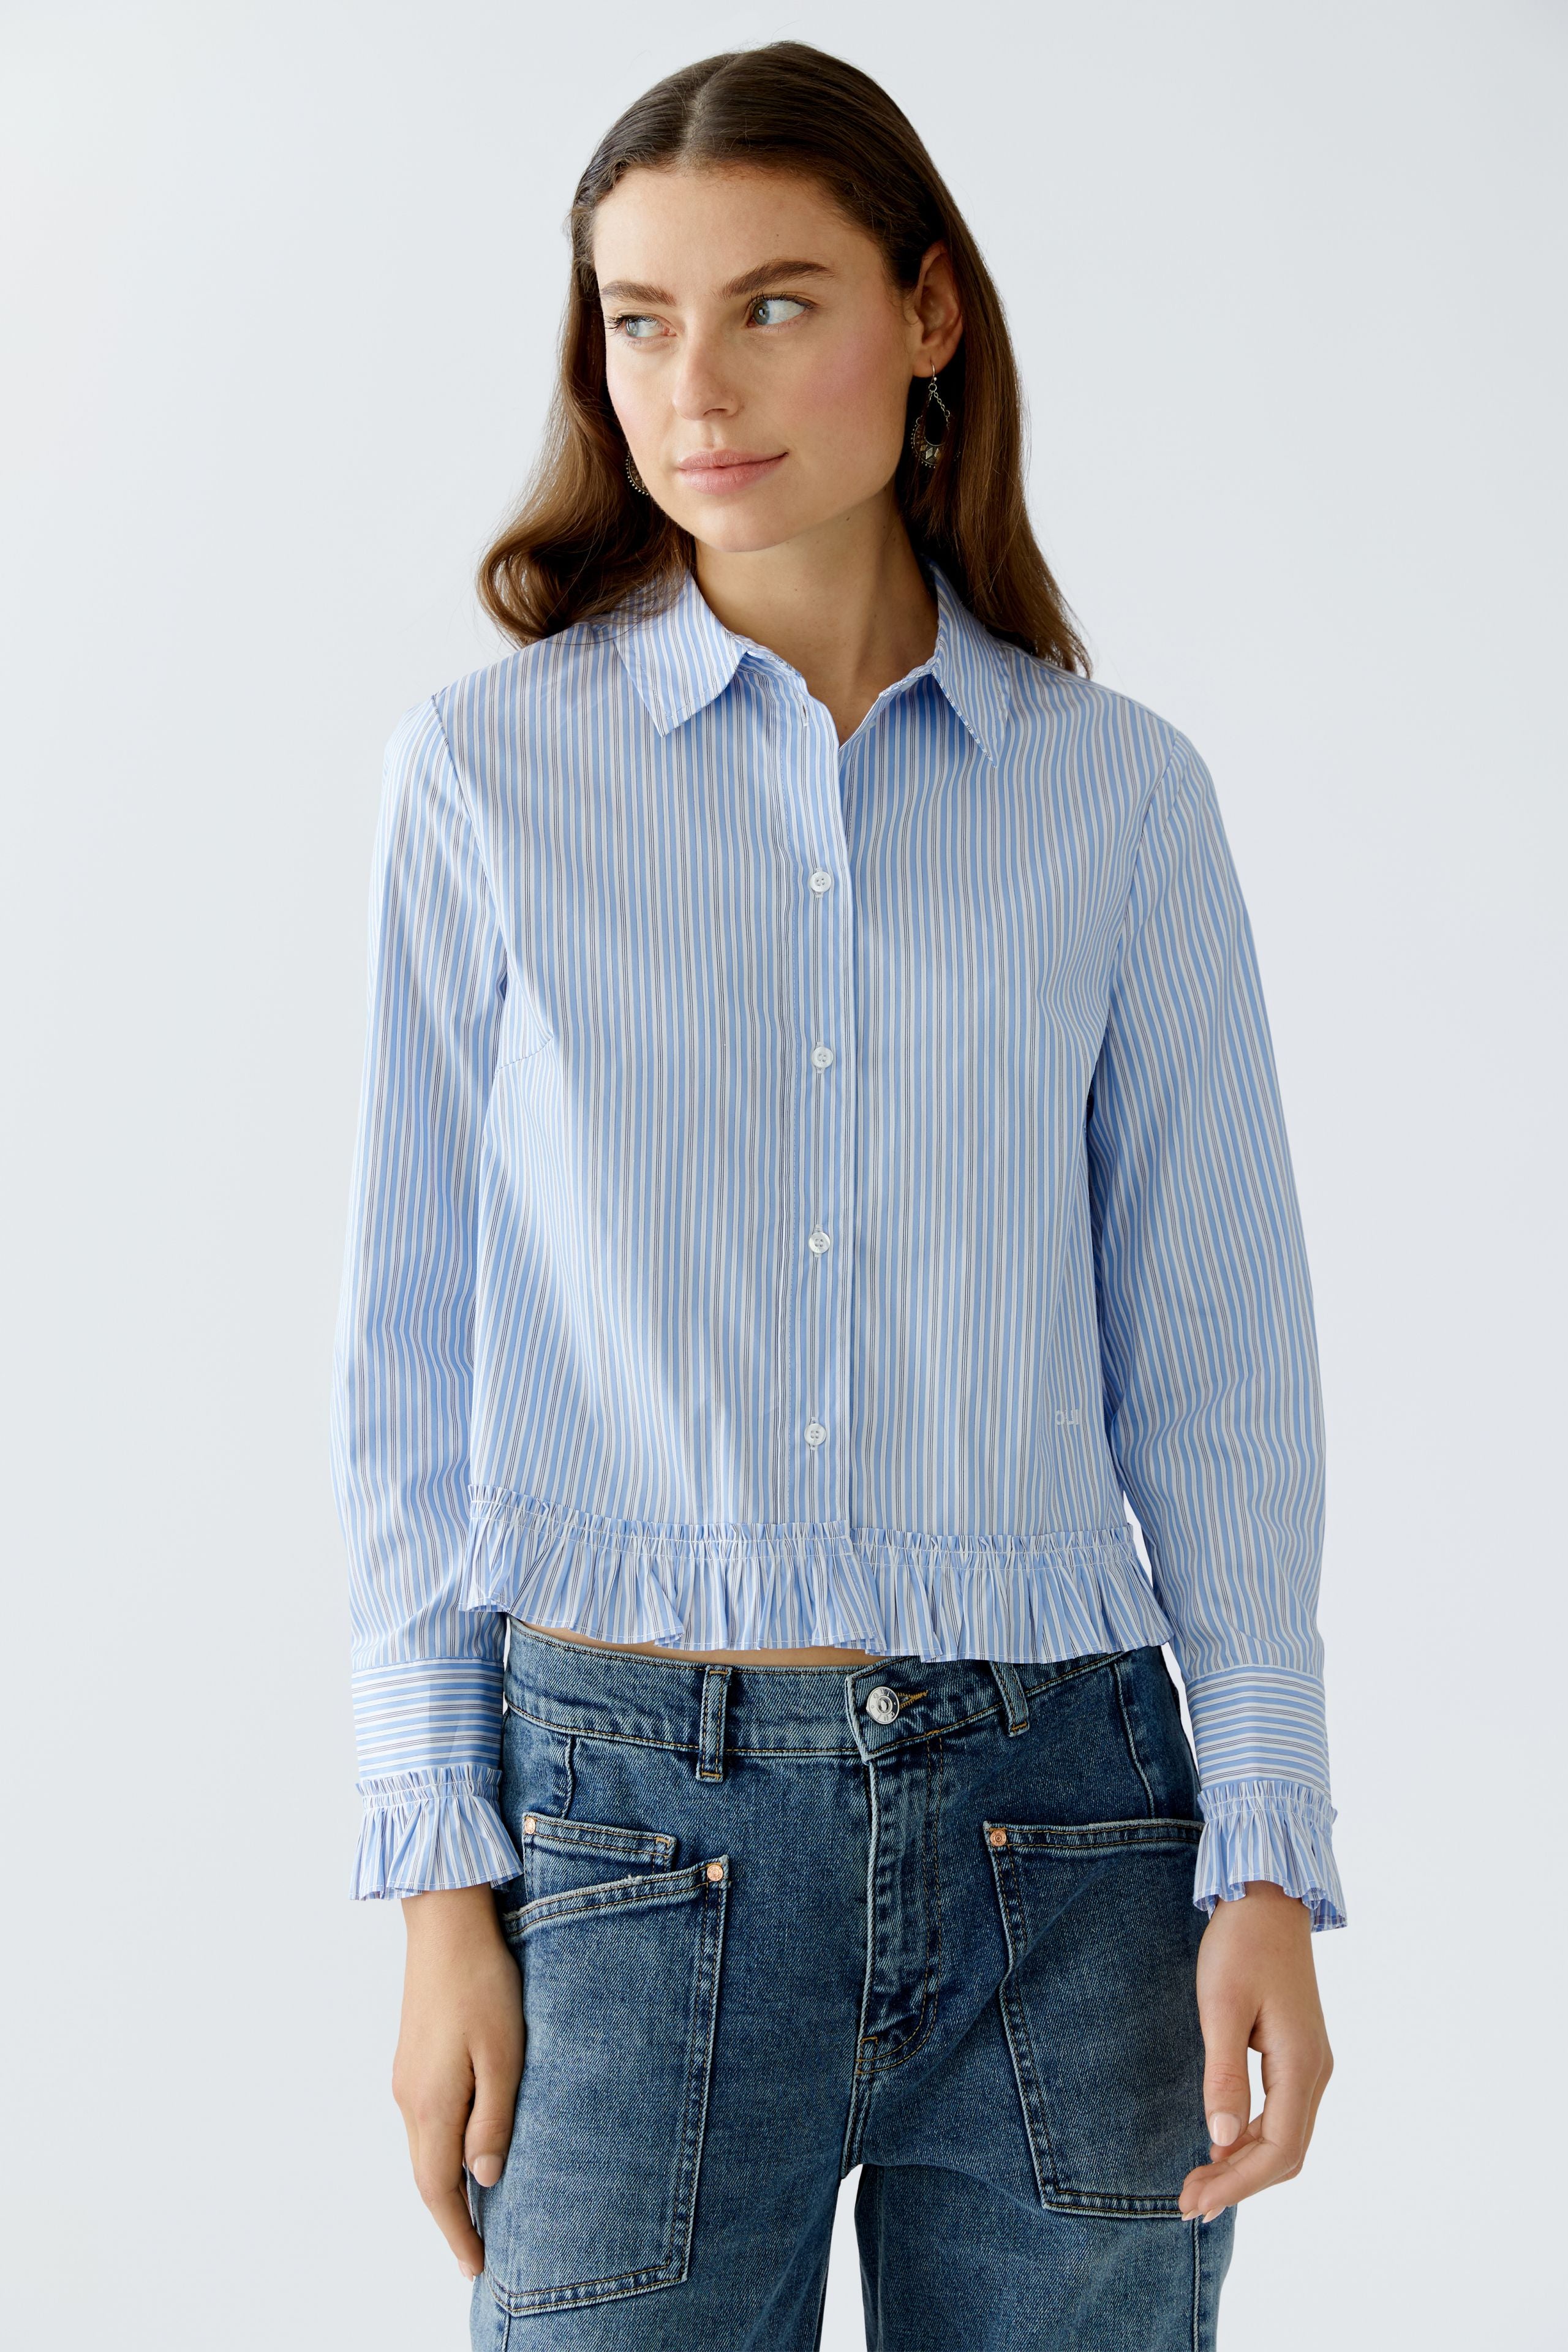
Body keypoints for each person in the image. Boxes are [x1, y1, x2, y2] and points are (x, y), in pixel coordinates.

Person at [329, 40, 1342, 2351]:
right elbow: (399, 1372)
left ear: (929, 316)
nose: (698, 385)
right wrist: (439, 1893)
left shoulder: (1118, 803)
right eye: (638, 316)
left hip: (1075, 1847)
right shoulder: (484, 784)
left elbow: (1217, 1367)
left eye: (777, 304)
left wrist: (1266, 1846)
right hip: (618, 1850)